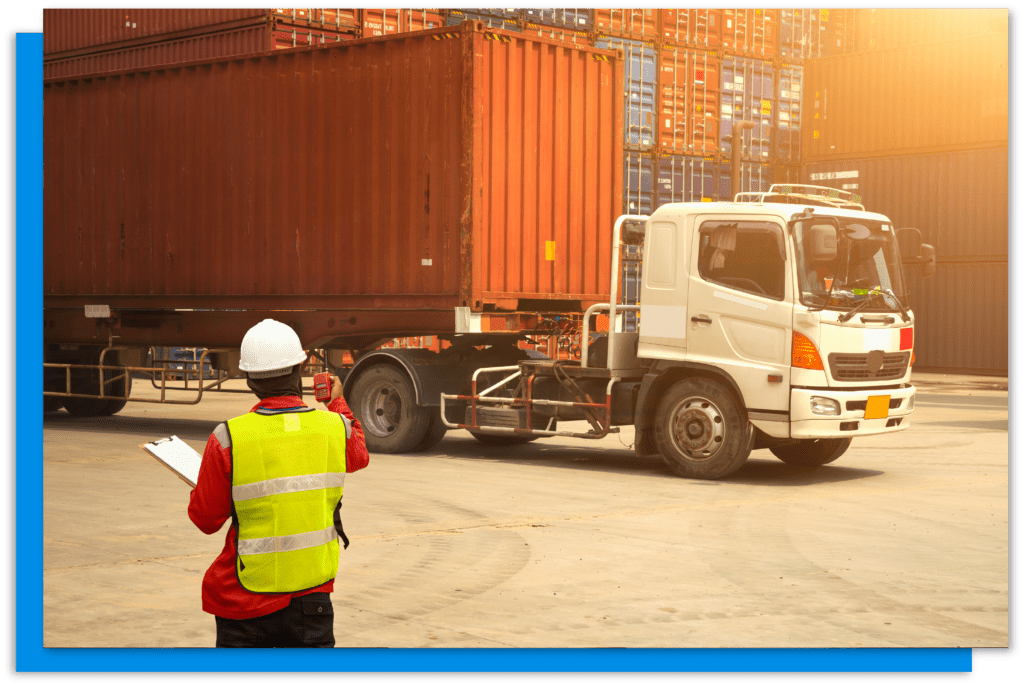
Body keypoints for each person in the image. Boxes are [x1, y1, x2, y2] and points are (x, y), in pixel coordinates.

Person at [188, 319, 369, 648]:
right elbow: (359, 455)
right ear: (300, 367)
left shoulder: (228, 438)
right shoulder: (335, 427)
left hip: (244, 599)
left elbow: (205, 519)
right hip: (311, 597)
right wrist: (336, 401)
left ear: (248, 379)